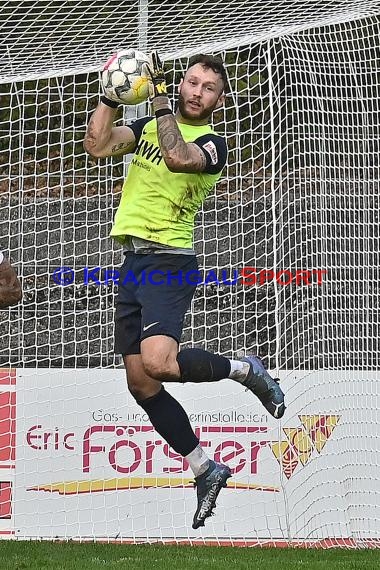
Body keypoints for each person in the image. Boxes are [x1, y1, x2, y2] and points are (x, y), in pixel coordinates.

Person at [84, 51, 285, 529]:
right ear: (179, 84)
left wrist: (153, 102)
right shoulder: (149, 127)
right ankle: (204, 467)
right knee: (142, 383)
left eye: (208, 87)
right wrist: (110, 95)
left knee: (158, 362)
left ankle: (243, 369)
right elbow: (96, 145)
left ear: (219, 97)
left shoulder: (213, 143)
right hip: (133, 261)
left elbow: (178, 158)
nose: (197, 92)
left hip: (168, 260)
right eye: (191, 82)